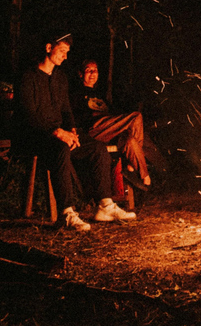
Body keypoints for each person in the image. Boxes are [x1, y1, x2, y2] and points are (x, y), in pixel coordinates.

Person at [15, 33, 136, 232]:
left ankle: (105, 205)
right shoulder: (28, 77)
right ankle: (67, 213)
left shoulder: (60, 78)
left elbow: (66, 110)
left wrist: (71, 130)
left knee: (97, 148)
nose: (65, 56)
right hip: (34, 135)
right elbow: (29, 114)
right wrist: (57, 132)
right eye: (62, 51)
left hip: (58, 133)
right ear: (48, 48)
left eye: (67, 52)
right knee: (61, 148)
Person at [70, 60, 151, 189]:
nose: (92, 73)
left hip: (108, 130)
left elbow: (113, 114)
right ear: (80, 74)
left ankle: (134, 169)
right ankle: (136, 169)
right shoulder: (76, 94)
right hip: (93, 130)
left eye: (95, 70)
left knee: (130, 140)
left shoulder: (100, 95)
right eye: (88, 70)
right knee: (136, 116)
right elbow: (78, 117)